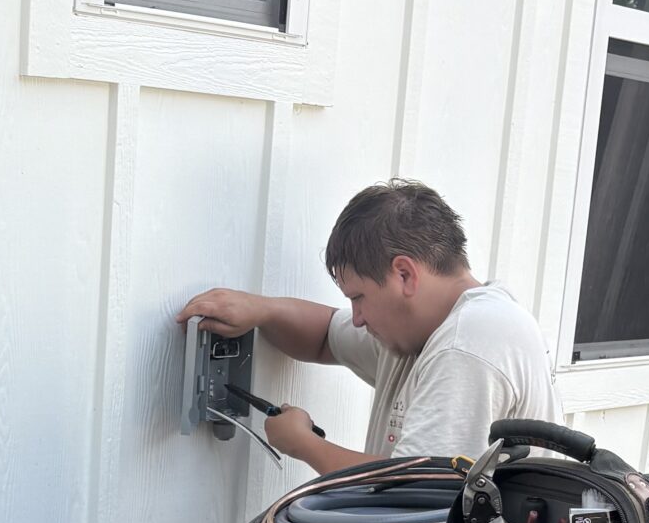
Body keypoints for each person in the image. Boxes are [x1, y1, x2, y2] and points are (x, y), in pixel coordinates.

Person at [177, 178, 556, 473]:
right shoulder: (424, 328)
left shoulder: (468, 344)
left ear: (404, 274)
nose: (356, 317)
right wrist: (260, 311)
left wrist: (305, 444)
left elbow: (410, 491)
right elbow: (325, 335)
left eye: (358, 298)